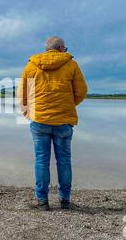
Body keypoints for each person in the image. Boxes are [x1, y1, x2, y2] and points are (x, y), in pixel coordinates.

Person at [18, 36, 88, 211]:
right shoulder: (71, 65)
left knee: (41, 160)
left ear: (47, 48)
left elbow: (22, 94)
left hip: (39, 120)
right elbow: (81, 91)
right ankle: (64, 200)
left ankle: (42, 201)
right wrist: (68, 105)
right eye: (65, 48)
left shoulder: (32, 65)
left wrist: (28, 112)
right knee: (64, 161)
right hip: (63, 121)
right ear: (61, 48)